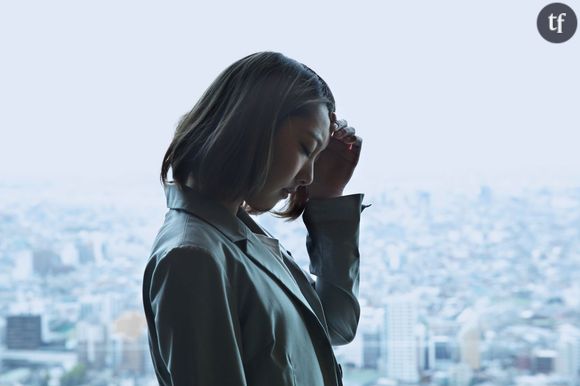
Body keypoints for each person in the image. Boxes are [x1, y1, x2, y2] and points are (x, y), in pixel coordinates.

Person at [142, 51, 370, 386]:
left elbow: (334, 325)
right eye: (306, 149)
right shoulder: (193, 257)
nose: (308, 175)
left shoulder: (233, 236)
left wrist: (328, 197)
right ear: (253, 126)